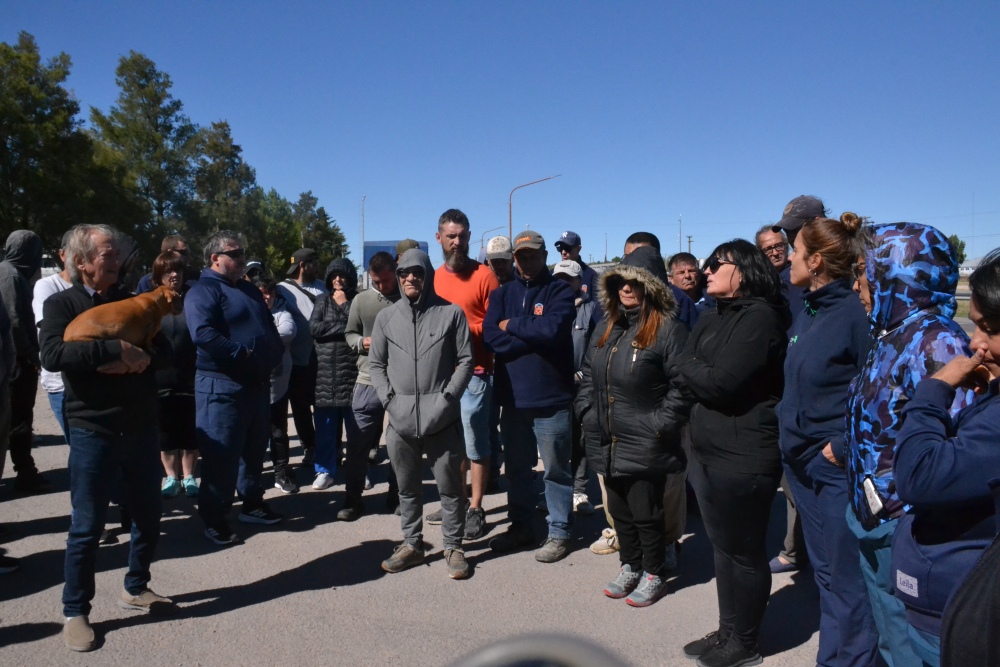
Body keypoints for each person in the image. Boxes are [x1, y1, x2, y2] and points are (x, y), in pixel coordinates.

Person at [39, 224, 174, 652]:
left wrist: (141, 359)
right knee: (87, 525)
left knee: (148, 516)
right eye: (106, 255)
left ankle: (136, 587)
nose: (116, 261)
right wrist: (116, 351)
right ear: (82, 263)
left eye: (117, 255)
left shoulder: (132, 301)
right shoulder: (63, 304)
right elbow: (54, 354)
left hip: (139, 425)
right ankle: (75, 611)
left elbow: (165, 354)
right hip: (93, 427)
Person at [846, 222, 972, 667]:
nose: (857, 284)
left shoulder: (938, 342)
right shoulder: (891, 334)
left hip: (908, 527)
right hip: (876, 519)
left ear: (897, 276)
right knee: (891, 640)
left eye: (865, 272)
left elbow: (957, 452)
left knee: (914, 648)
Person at [677, 240, 789, 667]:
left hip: (743, 455)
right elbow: (688, 368)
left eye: (715, 265)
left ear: (741, 271)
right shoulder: (711, 317)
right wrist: (697, 370)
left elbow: (722, 383)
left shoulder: (760, 318)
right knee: (722, 549)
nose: (705, 271)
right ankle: (727, 630)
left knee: (744, 552)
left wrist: (694, 369)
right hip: (706, 450)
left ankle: (745, 641)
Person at [777, 214, 879, 666]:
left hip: (832, 467)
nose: (789, 260)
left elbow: (875, 392)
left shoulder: (854, 317)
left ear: (816, 261)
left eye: (796, 252)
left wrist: (839, 444)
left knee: (848, 580)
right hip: (799, 464)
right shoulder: (807, 309)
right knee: (826, 575)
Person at [891, 248, 1000, 667]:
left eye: (988, 329)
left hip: (960, 617)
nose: (975, 343)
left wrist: (933, 391)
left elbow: (919, 475)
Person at [576, 252, 689, 607]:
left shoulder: (668, 330)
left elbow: (683, 386)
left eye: (636, 281)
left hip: (645, 442)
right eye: (620, 281)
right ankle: (630, 565)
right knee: (619, 511)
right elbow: (585, 376)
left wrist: (658, 426)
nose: (626, 287)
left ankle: (654, 572)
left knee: (647, 512)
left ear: (651, 287)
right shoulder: (605, 327)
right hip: (606, 437)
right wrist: (587, 413)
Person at [369, 249, 474, 578]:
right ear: (398, 278)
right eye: (404, 273)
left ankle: (454, 546)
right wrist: (390, 401)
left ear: (427, 275)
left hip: (441, 420)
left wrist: (447, 399)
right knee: (407, 489)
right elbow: (376, 365)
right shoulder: (386, 318)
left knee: (450, 488)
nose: (410, 278)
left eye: (417, 272)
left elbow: (467, 360)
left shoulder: (450, 314)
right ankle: (412, 544)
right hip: (399, 421)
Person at [185, 230, 283, 546]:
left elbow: (267, 326)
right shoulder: (202, 291)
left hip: (255, 385)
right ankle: (215, 519)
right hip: (221, 386)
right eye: (235, 254)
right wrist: (242, 354)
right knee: (221, 456)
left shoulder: (247, 289)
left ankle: (252, 504)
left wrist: (274, 352)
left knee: (254, 452)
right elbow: (202, 334)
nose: (242, 259)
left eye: (242, 253)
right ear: (215, 259)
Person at [484, 230, 577, 563]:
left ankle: (559, 532)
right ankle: (521, 526)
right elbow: (492, 337)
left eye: (533, 255)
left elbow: (552, 331)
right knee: (519, 471)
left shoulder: (559, 291)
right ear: (514, 259)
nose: (527, 261)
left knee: (555, 471)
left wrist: (513, 326)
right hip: (512, 399)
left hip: (551, 399)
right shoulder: (502, 294)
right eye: (521, 256)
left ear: (544, 256)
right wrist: (527, 331)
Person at [431, 209, 500, 540]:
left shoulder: (485, 276)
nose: (457, 242)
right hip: (440, 378)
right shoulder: (432, 277)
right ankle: (454, 503)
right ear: (439, 238)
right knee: (449, 443)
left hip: (475, 373)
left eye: (462, 235)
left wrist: (459, 328)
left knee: (475, 441)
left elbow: (496, 324)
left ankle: (475, 507)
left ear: (470, 237)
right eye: (451, 236)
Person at [755, 223, 808, 576]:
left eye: (780, 245)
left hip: (795, 381)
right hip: (769, 385)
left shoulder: (799, 281)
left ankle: (794, 551)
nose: (775, 251)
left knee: (794, 479)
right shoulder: (761, 284)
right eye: (768, 248)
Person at [343, 251, 402, 519]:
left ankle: (397, 496)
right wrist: (360, 343)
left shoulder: (409, 298)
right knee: (357, 445)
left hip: (403, 383)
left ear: (396, 273)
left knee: (401, 444)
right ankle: (352, 499)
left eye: (386, 281)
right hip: (367, 380)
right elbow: (350, 333)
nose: (382, 287)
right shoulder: (361, 300)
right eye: (376, 282)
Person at [0, 229, 50, 494]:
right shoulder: (9, 276)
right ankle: (25, 472)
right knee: (19, 419)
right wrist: (32, 354)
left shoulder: (12, 273)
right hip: (16, 362)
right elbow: (15, 324)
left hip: (15, 359)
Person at [151, 250, 200, 498]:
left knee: (190, 431)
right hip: (161, 379)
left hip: (191, 376)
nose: (174, 275)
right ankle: (171, 477)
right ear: (158, 275)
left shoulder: (192, 299)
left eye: (178, 270)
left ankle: (189, 476)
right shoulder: (150, 302)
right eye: (168, 271)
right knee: (166, 432)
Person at [310, 258, 359, 491]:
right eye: (334, 276)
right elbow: (315, 329)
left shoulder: (357, 300)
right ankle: (325, 471)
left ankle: (358, 471)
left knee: (357, 430)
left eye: (343, 276)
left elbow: (360, 328)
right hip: (325, 375)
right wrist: (343, 326)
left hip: (352, 373)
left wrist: (344, 306)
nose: (338, 281)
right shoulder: (321, 300)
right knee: (326, 430)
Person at [553, 259, 597, 517]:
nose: (562, 284)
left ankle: (579, 490)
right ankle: (557, 490)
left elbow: (594, 349)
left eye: (568, 279)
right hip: (554, 385)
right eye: (558, 278)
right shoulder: (547, 310)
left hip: (581, 385)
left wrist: (581, 374)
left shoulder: (591, 311)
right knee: (556, 440)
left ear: (579, 283)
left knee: (580, 440)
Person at [276, 247, 326, 471]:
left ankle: (326, 446)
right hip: (298, 360)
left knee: (323, 405)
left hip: (324, 359)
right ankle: (309, 447)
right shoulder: (282, 289)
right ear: (304, 266)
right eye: (314, 263)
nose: (318, 267)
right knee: (300, 408)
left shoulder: (323, 287)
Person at [32, 228, 75, 444]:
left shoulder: (90, 288)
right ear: (62, 255)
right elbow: (55, 334)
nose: (79, 260)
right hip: (60, 384)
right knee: (79, 448)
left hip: (87, 379)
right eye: (75, 253)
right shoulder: (47, 286)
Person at [255, 276, 297, 494]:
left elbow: (288, 332)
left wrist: (256, 342)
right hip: (253, 386)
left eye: (270, 293)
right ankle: (253, 477)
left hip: (278, 385)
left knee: (278, 432)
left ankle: (281, 473)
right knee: (254, 434)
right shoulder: (249, 316)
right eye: (262, 293)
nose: (267, 297)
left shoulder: (282, 315)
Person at [623, 232, 698, 330]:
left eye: (640, 257)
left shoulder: (679, 300)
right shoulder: (615, 294)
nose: (632, 262)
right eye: (627, 257)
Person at [555, 231, 599, 297]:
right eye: (560, 248)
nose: (563, 252)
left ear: (579, 248)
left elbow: (597, 305)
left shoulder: (591, 276)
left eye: (567, 248)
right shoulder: (552, 275)